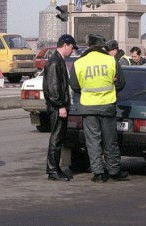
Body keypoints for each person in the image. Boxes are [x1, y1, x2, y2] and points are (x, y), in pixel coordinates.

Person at [69, 34, 128, 183]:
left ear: (88, 46)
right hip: (107, 105)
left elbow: (74, 86)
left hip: (88, 107)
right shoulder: (111, 61)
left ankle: (98, 173)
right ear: (102, 46)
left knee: (93, 141)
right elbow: (121, 83)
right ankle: (114, 171)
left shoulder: (79, 63)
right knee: (110, 140)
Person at [43, 34, 78, 182]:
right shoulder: (55, 62)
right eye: (71, 47)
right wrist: (60, 105)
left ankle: (55, 168)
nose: (72, 51)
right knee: (56, 138)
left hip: (58, 106)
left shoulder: (58, 60)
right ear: (65, 45)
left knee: (59, 138)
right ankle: (53, 170)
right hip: (57, 107)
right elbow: (53, 87)